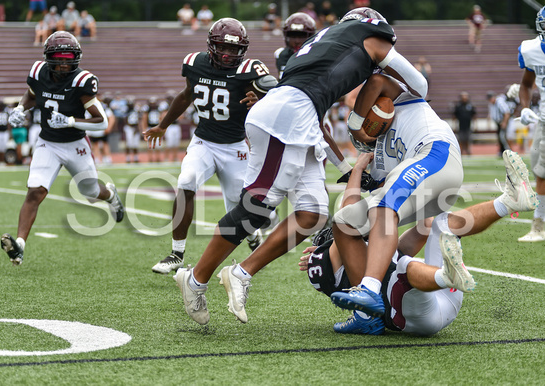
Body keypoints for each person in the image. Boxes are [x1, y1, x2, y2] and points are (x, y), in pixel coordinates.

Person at [171, 7, 429, 326]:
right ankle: (195, 280)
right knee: (255, 207)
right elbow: (421, 85)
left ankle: (241, 272)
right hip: (288, 117)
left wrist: (363, 113)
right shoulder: (370, 38)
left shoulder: (327, 39)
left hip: (299, 118)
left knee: (312, 214)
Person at [300, 149, 538, 335]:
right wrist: (358, 168)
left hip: (439, 300)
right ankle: (446, 276)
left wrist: (419, 185)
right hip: (412, 316)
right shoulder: (339, 257)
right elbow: (346, 216)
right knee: (400, 267)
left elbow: (424, 228)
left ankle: (508, 202)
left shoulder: (379, 253)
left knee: (442, 225)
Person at [144, 18, 276, 276]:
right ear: (211, 46)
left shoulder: (251, 69)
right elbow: (186, 95)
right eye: (223, 48)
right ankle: (176, 253)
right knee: (186, 181)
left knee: (238, 207)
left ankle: (251, 237)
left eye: (234, 50)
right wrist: (163, 125)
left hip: (236, 146)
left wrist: (261, 98)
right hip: (204, 141)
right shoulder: (195, 63)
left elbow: (277, 92)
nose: (228, 55)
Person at [329, 72, 463, 319]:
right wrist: (358, 168)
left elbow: (377, 82)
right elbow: (368, 208)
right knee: (345, 222)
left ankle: (369, 288)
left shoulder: (405, 98)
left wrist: (355, 124)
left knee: (382, 205)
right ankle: (366, 315)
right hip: (427, 179)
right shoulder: (381, 158)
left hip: (436, 153)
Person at [0, 31, 124, 266]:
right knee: (35, 192)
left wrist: (70, 121)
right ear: (48, 57)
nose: (64, 63)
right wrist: (19, 109)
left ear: (76, 58)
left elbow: (102, 121)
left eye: (68, 58)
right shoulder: (38, 72)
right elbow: (32, 95)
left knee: (90, 192)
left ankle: (110, 195)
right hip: (47, 142)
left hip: (76, 144)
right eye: (59, 57)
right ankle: (19, 246)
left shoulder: (82, 81)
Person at [515, 1, 545, 242]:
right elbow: (525, 83)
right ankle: (538, 228)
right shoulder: (531, 49)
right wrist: (524, 108)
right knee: (542, 174)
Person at [274, 12, 317, 78]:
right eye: (293, 36)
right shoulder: (280, 54)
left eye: (302, 36)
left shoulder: (318, 56)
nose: (297, 41)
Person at [159, 90, 182, 162]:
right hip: (169, 126)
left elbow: (181, 116)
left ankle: (175, 157)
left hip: (176, 125)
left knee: (176, 143)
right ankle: (166, 158)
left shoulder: (177, 104)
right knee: (169, 143)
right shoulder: (164, 105)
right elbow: (162, 115)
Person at [487, 90, 512, 155]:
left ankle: (508, 150)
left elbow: (507, 113)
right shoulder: (491, 104)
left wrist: (504, 122)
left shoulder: (500, 102)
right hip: (498, 122)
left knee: (502, 136)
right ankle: (502, 151)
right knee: (499, 137)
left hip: (502, 121)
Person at [453, 91, 476, 155]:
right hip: (461, 126)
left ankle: (468, 150)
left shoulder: (470, 105)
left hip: (468, 125)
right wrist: (454, 125)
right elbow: (454, 116)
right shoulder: (458, 106)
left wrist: (475, 125)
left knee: (468, 139)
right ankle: (462, 151)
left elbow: (474, 115)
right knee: (461, 139)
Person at [123, 96, 141, 163]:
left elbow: (139, 119)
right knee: (128, 143)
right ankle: (128, 158)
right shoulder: (126, 109)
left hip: (135, 127)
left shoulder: (137, 109)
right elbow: (125, 119)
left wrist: (138, 128)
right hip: (128, 128)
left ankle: (136, 157)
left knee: (135, 144)